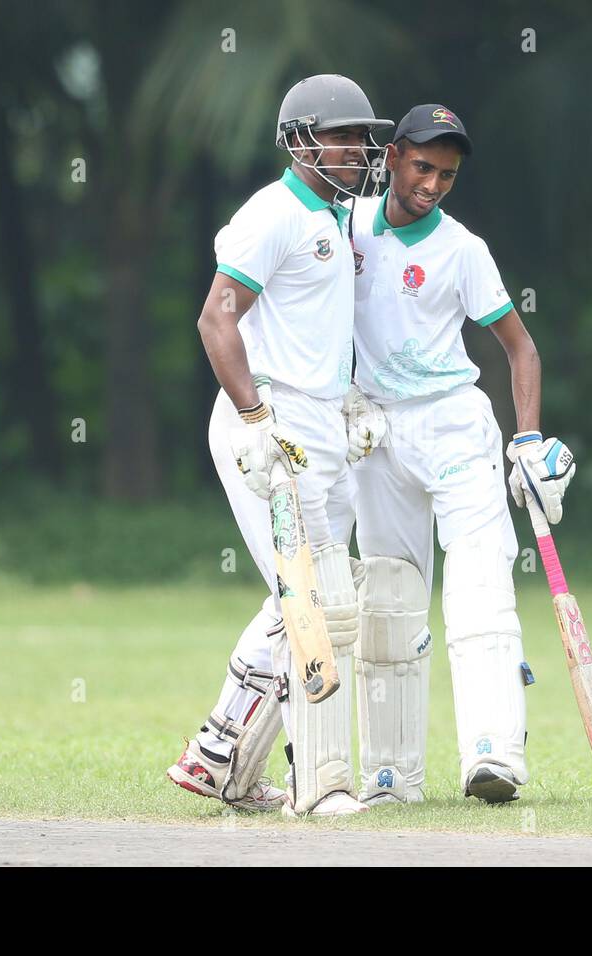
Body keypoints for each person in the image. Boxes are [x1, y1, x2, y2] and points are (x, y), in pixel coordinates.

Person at [167, 75, 391, 816]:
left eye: (364, 137)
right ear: (300, 141)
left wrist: (347, 395)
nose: (359, 150)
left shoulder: (334, 216)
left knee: (313, 593)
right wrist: (257, 419)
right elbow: (215, 319)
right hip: (268, 425)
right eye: (344, 136)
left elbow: (314, 331)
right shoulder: (272, 213)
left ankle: (219, 756)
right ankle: (316, 780)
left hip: (320, 422)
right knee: (312, 599)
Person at [343, 104, 575, 804]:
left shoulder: (462, 249)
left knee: (477, 586)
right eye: (422, 167)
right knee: (388, 599)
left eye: (447, 174)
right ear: (392, 158)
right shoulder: (343, 225)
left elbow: (520, 346)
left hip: (452, 425)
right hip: (373, 433)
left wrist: (527, 441)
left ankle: (494, 754)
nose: (433, 184)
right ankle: (391, 773)